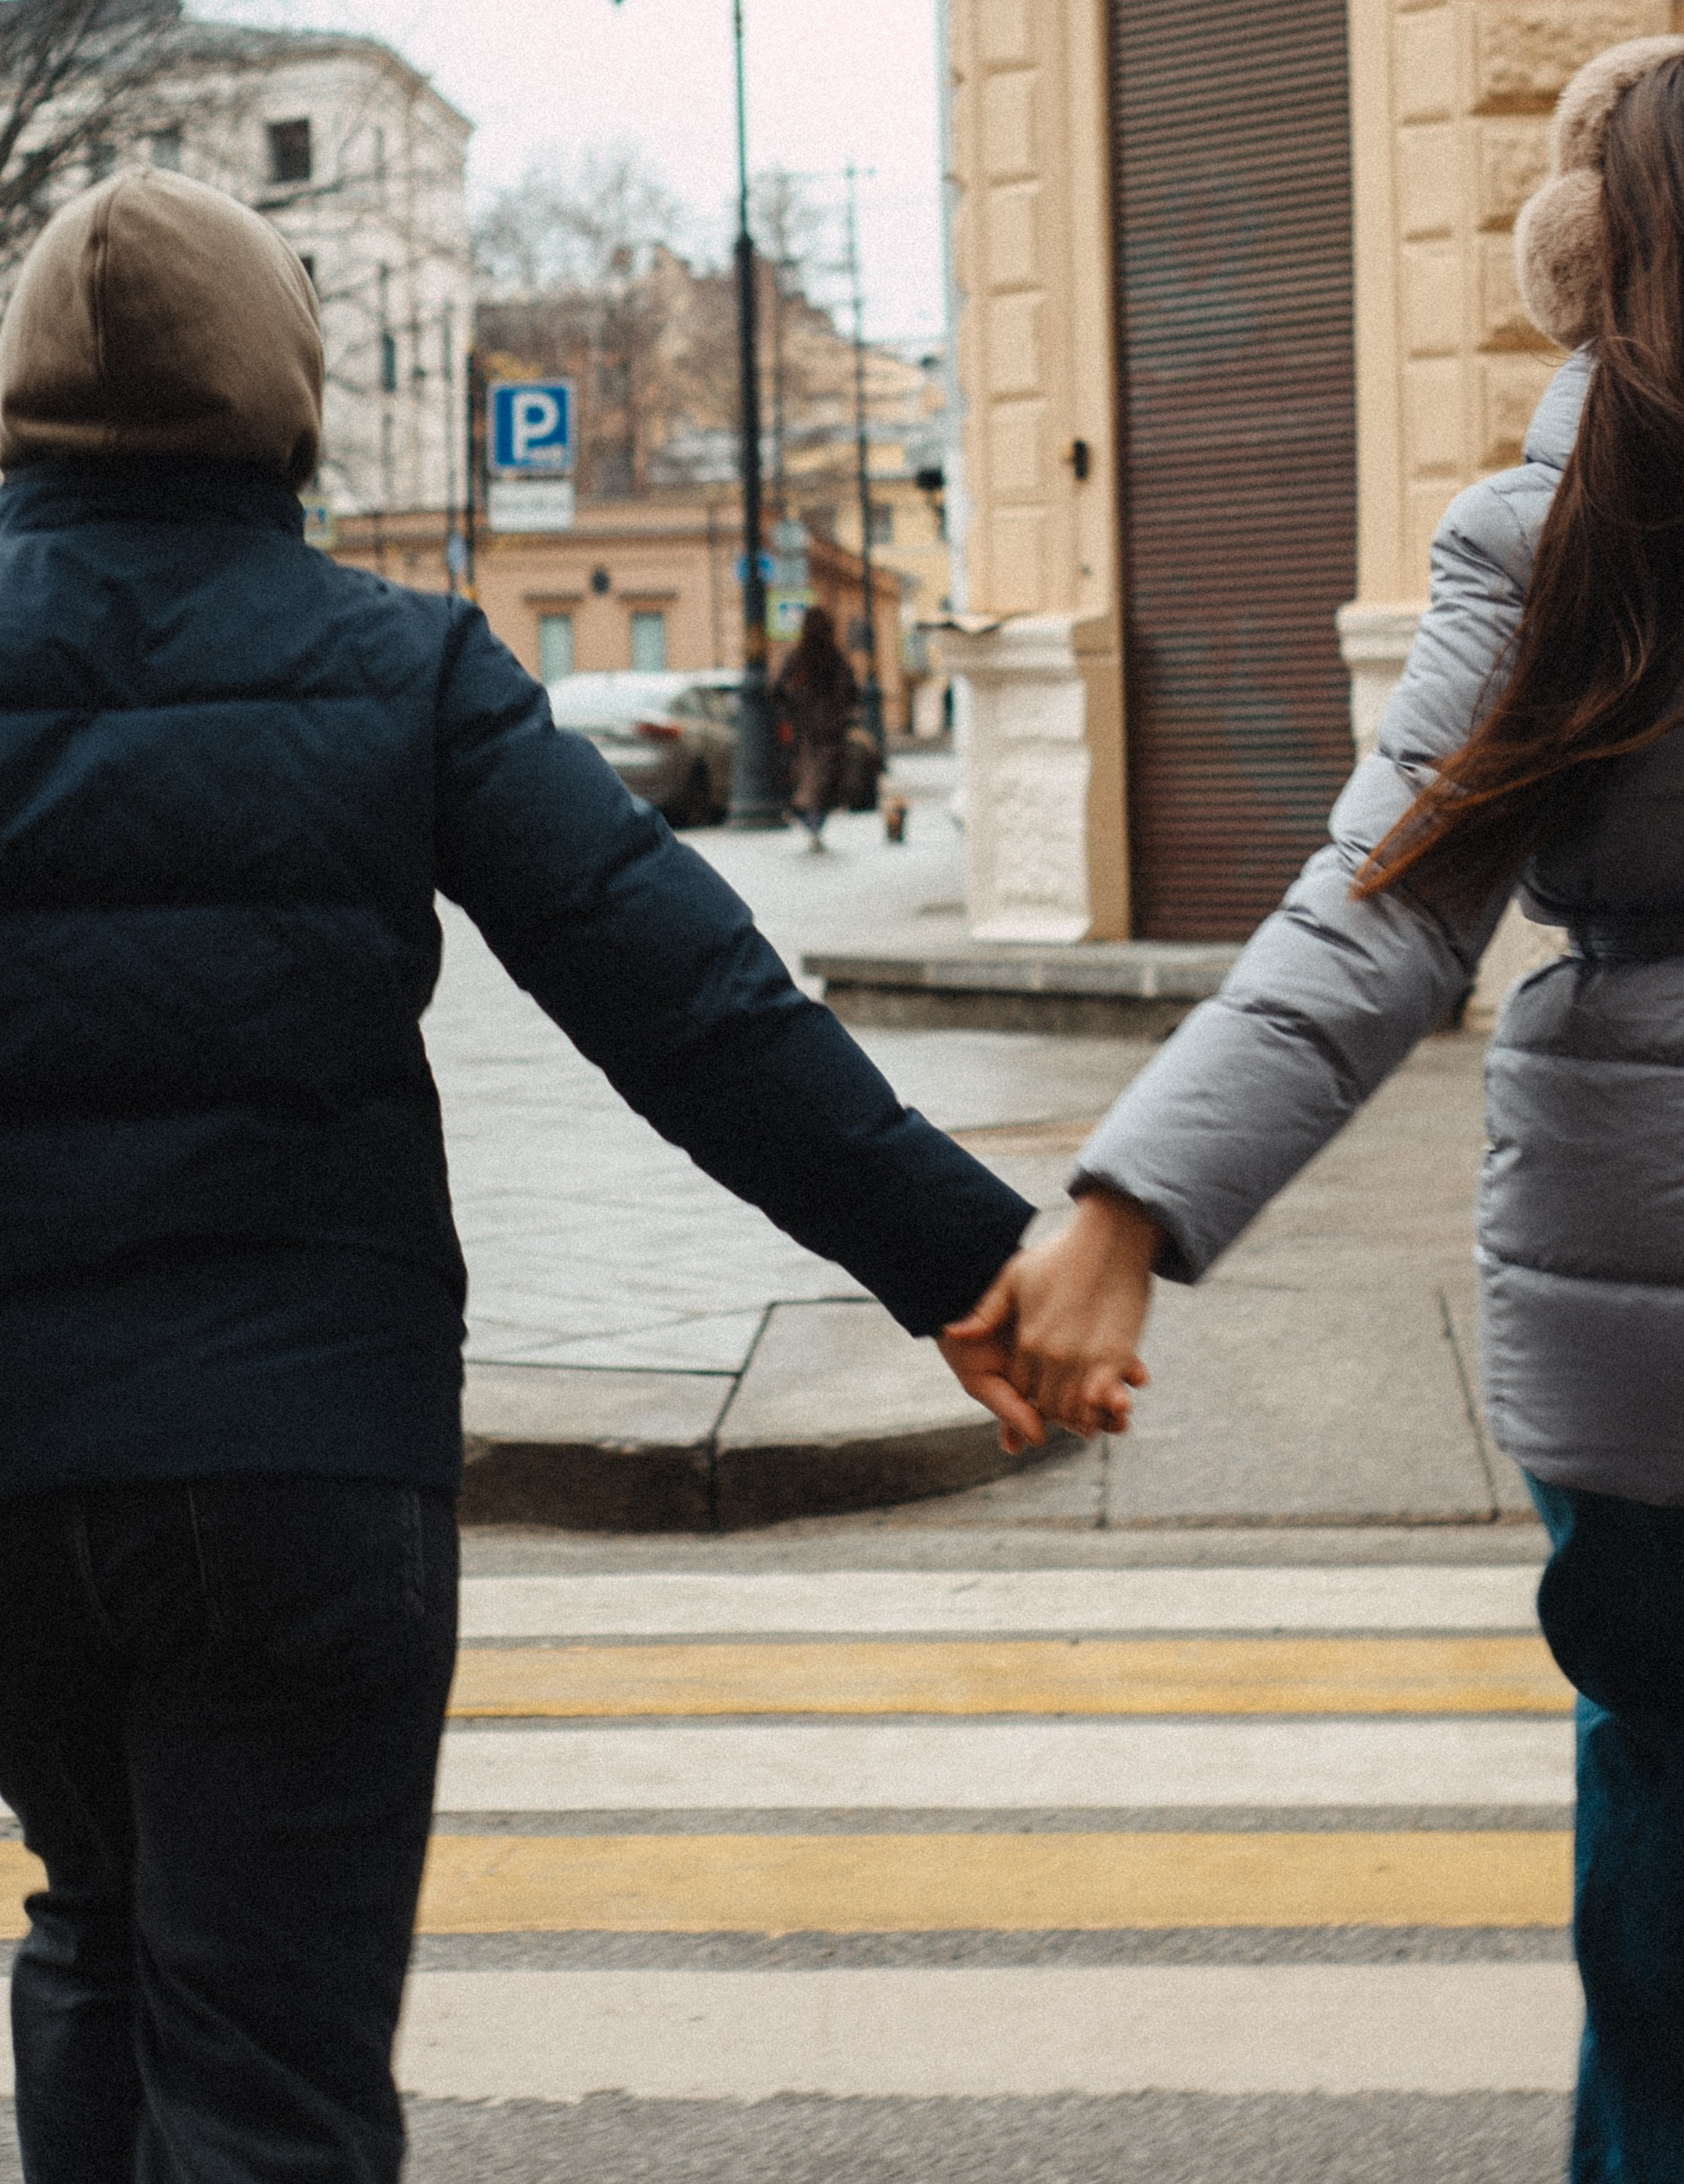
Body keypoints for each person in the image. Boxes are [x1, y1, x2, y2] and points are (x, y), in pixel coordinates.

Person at [957, 38, 1684, 2181]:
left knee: (1671, 1768)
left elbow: (1376, 921)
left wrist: (1125, 1214)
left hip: (1634, 1324)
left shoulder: (1555, 534)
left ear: (1586, 274)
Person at [0, 171, 1041, 2183]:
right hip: (301, 1466)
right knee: (271, 2059)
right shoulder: (400, 663)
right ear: (287, 402)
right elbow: (689, 1005)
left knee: (95, 1916)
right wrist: (969, 1266)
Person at [774, 602, 860, 849]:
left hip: (803, 727)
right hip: (831, 727)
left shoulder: (797, 656)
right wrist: (844, 713)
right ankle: (813, 819)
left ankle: (808, 816)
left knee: (808, 774)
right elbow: (850, 690)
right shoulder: (835, 657)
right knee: (825, 778)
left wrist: (794, 705)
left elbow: (778, 689)